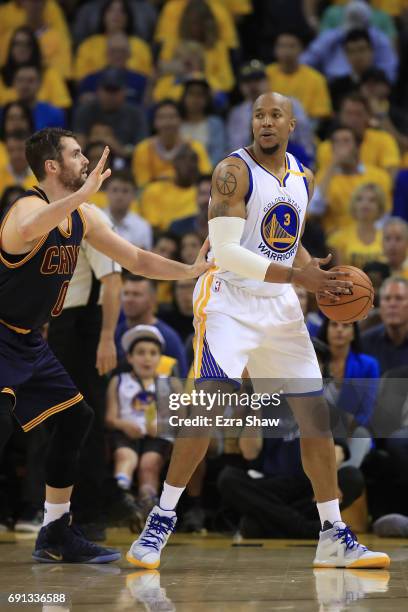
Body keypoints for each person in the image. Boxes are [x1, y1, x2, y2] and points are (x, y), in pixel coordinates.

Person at [127, 92, 389, 569]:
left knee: (316, 420)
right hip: (227, 299)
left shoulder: (303, 176)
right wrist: (301, 277)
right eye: (259, 115)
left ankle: (332, 533)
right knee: (206, 406)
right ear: (251, 123)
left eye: (275, 116)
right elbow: (226, 252)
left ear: (292, 124)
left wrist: (318, 274)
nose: (266, 122)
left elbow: (287, 242)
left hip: (278, 304)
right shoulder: (233, 171)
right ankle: (160, 519)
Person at [0, 127, 209, 563]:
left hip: (29, 343)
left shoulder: (85, 217)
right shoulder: (25, 206)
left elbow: (135, 259)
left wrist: (190, 270)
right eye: (77, 155)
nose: (86, 161)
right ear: (52, 167)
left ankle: (55, 532)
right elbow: (28, 227)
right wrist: (83, 194)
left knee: (76, 418)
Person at [106, 325, 175, 517]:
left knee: (149, 464)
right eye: (141, 353)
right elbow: (110, 418)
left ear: (160, 358)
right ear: (130, 358)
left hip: (157, 435)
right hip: (126, 432)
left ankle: (148, 504)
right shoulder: (118, 381)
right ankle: (122, 494)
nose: (147, 358)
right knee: (125, 457)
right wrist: (123, 424)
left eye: (153, 353)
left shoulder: (168, 383)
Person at [311, 125, 391, 234]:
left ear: (357, 147)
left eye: (346, 141)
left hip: (371, 240)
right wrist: (334, 163)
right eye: (336, 142)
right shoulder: (323, 176)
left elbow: (384, 216)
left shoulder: (379, 176)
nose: (341, 146)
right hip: (335, 241)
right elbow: (314, 211)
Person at [115, 275, 188, 376]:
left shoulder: (168, 338)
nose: (129, 300)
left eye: (136, 294)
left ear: (153, 299)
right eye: (126, 294)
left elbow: (181, 381)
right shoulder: (115, 333)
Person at [316, 93, 401, 178]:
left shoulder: (384, 140)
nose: (353, 119)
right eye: (349, 113)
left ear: (368, 116)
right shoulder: (326, 148)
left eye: (358, 114)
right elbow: (322, 181)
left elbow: (390, 177)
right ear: (340, 116)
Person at [132, 99, 211, 188]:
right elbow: (143, 185)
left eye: (172, 117)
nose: (167, 122)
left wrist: (164, 179)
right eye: (162, 117)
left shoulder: (195, 147)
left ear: (180, 120)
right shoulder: (143, 149)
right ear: (154, 122)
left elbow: (206, 179)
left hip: (189, 198)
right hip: (153, 199)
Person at [73, 68, 148, 161]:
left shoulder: (135, 113)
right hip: (89, 163)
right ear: (98, 91)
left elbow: (141, 149)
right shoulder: (85, 110)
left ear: (124, 92)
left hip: (125, 167)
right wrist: (93, 139)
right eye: (107, 90)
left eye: (115, 90)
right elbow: (77, 148)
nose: (111, 95)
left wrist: (112, 143)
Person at [74, 0, 153, 81]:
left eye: (122, 11)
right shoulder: (88, 46)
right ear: (103, 15)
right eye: (111, 10)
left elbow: (147, 80)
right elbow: (80, 79)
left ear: (128, 17)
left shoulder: (141, 47)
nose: (116, 15)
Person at [266, 30, 332, 123]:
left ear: (301, 49)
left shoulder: (316, 78)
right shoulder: (266, 75)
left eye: (292, 46)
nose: (287, 51)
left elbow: (320, 116)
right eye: (282, 46)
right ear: (275, 50)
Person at [0, 26, 71, 109]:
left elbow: (63, 106)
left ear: (34, 47)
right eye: (17, 44)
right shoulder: (1, 74)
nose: (22, 48)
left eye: (27, 44)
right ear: (11, 48)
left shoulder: (48, 73)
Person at [139, 144, 199, 231]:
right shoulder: (154, 190)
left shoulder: (204, 193)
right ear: (174, 163)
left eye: (193, 160)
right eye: (184, 160)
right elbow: (152, 226)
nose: (190, 165)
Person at [327, 182, 385, 268]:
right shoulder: (338, 238)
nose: (365, 204)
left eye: (372, 200)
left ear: (380, 207)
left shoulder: (388, 237)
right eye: (359, 199)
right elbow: (339, 273)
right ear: (353, 205)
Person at [361, 277, 408, 374]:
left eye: (399, 298)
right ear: (380, 306)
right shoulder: (364, 343)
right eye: (387, 298)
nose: (392, 304)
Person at [179, 75, 226, 166]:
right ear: (184, 97)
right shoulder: (176, 122)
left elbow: (218, 153)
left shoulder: (216, 124)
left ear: (207, 99)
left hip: (208, 175)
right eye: (191, 94)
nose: (195, 99)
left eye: (200, 95)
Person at [329, 29, 376, 111]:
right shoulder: (337, 87)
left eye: (362, 49)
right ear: (346, 55)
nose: (357, 56)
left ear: (371, 51)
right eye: (352, 51)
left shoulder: (384, 83)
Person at [106, 170, 153, 250]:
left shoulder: (143, 226)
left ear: (134, 195)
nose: (119, 196)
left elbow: (145, 259)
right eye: (115, 190)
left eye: (125, 191)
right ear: (107, 192)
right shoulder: (95, 218)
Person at [11, 64, 66, 130]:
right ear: (14, 83)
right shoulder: (4, 114)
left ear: (40, 83)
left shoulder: (55, 114)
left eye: (31, 80)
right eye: (20, 80)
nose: (25, 85)